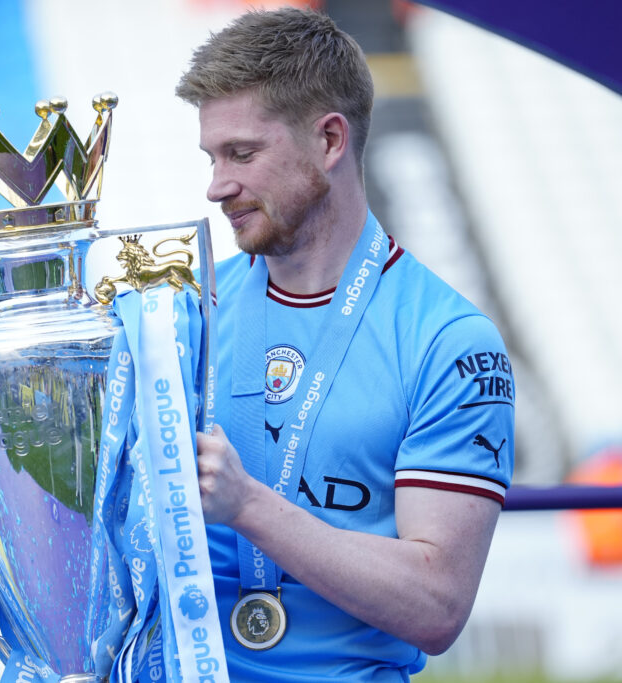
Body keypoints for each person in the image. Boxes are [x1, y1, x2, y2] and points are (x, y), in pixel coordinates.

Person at [175, 8, 515, 681]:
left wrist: (248, 505)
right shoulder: (186, 315)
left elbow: (438, 604)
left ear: (330, 140)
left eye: (242, 153)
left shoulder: (448, 343)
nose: (217, 186)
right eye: (212, 158)